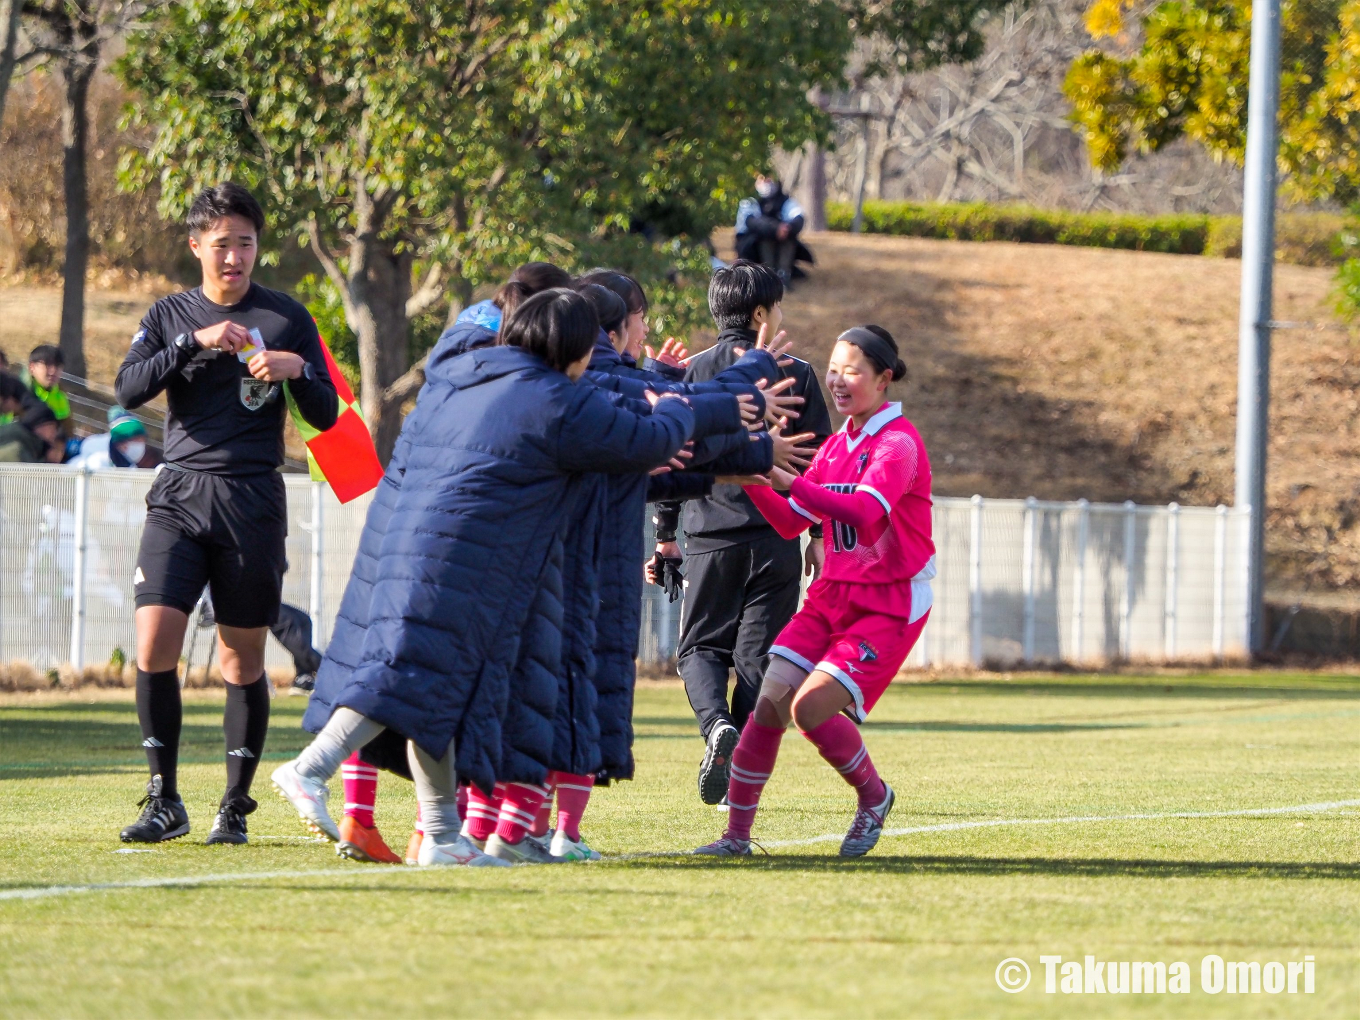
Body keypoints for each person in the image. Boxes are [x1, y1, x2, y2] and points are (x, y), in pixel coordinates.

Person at [280, 288, 699, 868]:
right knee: (404, 681)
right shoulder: (540, 393)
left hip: (421, 547)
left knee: (435, 696)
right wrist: (675, 405)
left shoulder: (466, 375)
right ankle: (310, 768)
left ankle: (441, 837)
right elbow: (646, 440)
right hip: (458, 560)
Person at [112, 182, 338, 846]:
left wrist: (299, 370)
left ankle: (234, 806)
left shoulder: (287, 317)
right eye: (222, 244)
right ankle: (164, 799)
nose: (235, 256)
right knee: (153, 643)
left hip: (252, 499)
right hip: (179, 495)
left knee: (241, 661)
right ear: (196, 247)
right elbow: (128, 390)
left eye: (245, 243)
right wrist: (193, 341)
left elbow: (326, 415)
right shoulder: (169, 313)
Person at [695, 325, 934, 858]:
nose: (838, 380)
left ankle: (874, 796)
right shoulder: (834, 448)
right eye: (833, 369)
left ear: (884, 379)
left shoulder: (898, 443)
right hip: (832, 595)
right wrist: (752, 480)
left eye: (852, 371)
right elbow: (790, 523)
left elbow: (865, 510)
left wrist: (790, 481)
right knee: (768, 706)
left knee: (809, 709)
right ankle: (736, 837)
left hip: (888, 602)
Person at [653, 260, 833, 806]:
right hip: (777, 540)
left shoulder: (692, 373)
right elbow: (821, 462)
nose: (780, 316)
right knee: (761, 659)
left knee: (700, 648)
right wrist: (818, 535)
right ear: (760, 314)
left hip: (710, 536)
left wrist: (665, 535)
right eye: (777, 307)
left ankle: (717, 728)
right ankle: (740, 764)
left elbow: (670, 454)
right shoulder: (796, 372)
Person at [734, 175, 813, 286]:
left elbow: (798, 217)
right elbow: (752, 222)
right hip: (751, 248)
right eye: (762, 179)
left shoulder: (785, 201)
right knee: (766, 238)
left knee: (787, 238)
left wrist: (787, 228)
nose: (766, 183)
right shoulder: (749, 201)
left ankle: (783, 274)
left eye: (769, 180)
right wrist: (775, 228)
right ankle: (767, 273)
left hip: (781, 243)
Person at [67, 407, 148, 470]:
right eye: (137, 440)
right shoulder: (97, 464)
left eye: (143, 440)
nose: (141, 445)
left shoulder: (130, 467)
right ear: (122, 444)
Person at [22, 345, 71, 430]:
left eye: (57, 366)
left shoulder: (60, 396)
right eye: (47, 365)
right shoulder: (20, 394)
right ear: (32, 367)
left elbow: (66, 430)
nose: (53, 371)